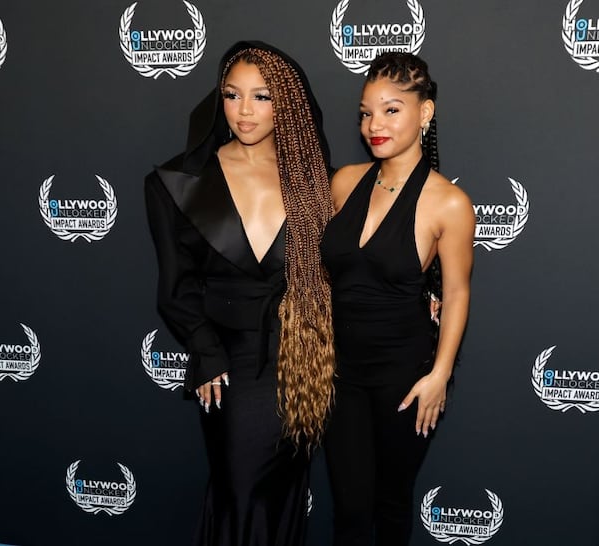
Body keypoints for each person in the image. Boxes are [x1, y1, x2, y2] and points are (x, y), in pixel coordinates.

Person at [144, 41, 335, 546]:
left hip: (303, 357)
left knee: (284, 494)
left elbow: (358, 257)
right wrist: (205, 353)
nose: (245, 110)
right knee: (239, 491)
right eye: (232, 95)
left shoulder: (315, 179)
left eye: (262, 96)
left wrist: (428, 288)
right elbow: (174, 288)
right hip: (231, 360)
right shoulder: (176, 182)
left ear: (287, 103)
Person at [320, 52, 476, 545]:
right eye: (366, 112)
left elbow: (456, 291)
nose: (374, 124)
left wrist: (439, 375)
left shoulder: (448, 203)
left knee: (390, 505)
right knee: (348, 509)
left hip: (403, 379)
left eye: (391, 110)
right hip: (339, 373)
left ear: (425, 113)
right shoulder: (343, 181)